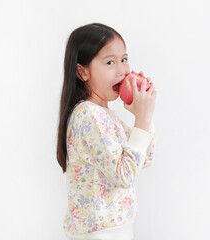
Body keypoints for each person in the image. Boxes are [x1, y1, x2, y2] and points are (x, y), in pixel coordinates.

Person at [56, 23, 157, 240]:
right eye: (110, 62)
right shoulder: (88, 116)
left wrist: (144, 115)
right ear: (82, 72)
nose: (123, 70)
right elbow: (124, 174)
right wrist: (142, 119)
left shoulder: (107, 116)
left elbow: (145, 157)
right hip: (98, 233)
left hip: (115, 230)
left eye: (124, 59)